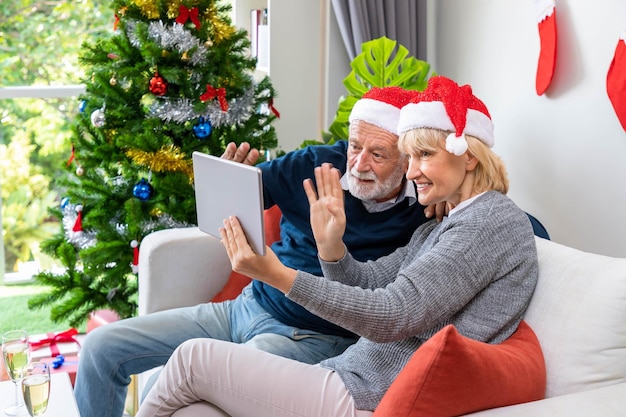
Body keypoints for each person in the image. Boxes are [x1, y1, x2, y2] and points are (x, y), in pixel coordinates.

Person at [133, 75, 540, 417]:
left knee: (191, 359)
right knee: (193, 406)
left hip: (365, 395)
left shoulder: (490, 223)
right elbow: (370, 283)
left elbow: (394, 314)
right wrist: (333, 249)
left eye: (423, 156)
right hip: (353, 375)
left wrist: (278, 275)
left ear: (468, 157)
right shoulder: (448, 223)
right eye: (410, 157)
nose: (412, 171)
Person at [74, 86, 436, 417]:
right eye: (355, 146)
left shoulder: (426, 206)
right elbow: (231, 206)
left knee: (170, 389)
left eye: (378, 154)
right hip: (244, 308)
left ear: (408, 159)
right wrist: (228, 178)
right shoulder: (316, 162)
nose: (358, 164)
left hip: (313, 338)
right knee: (101, 348)